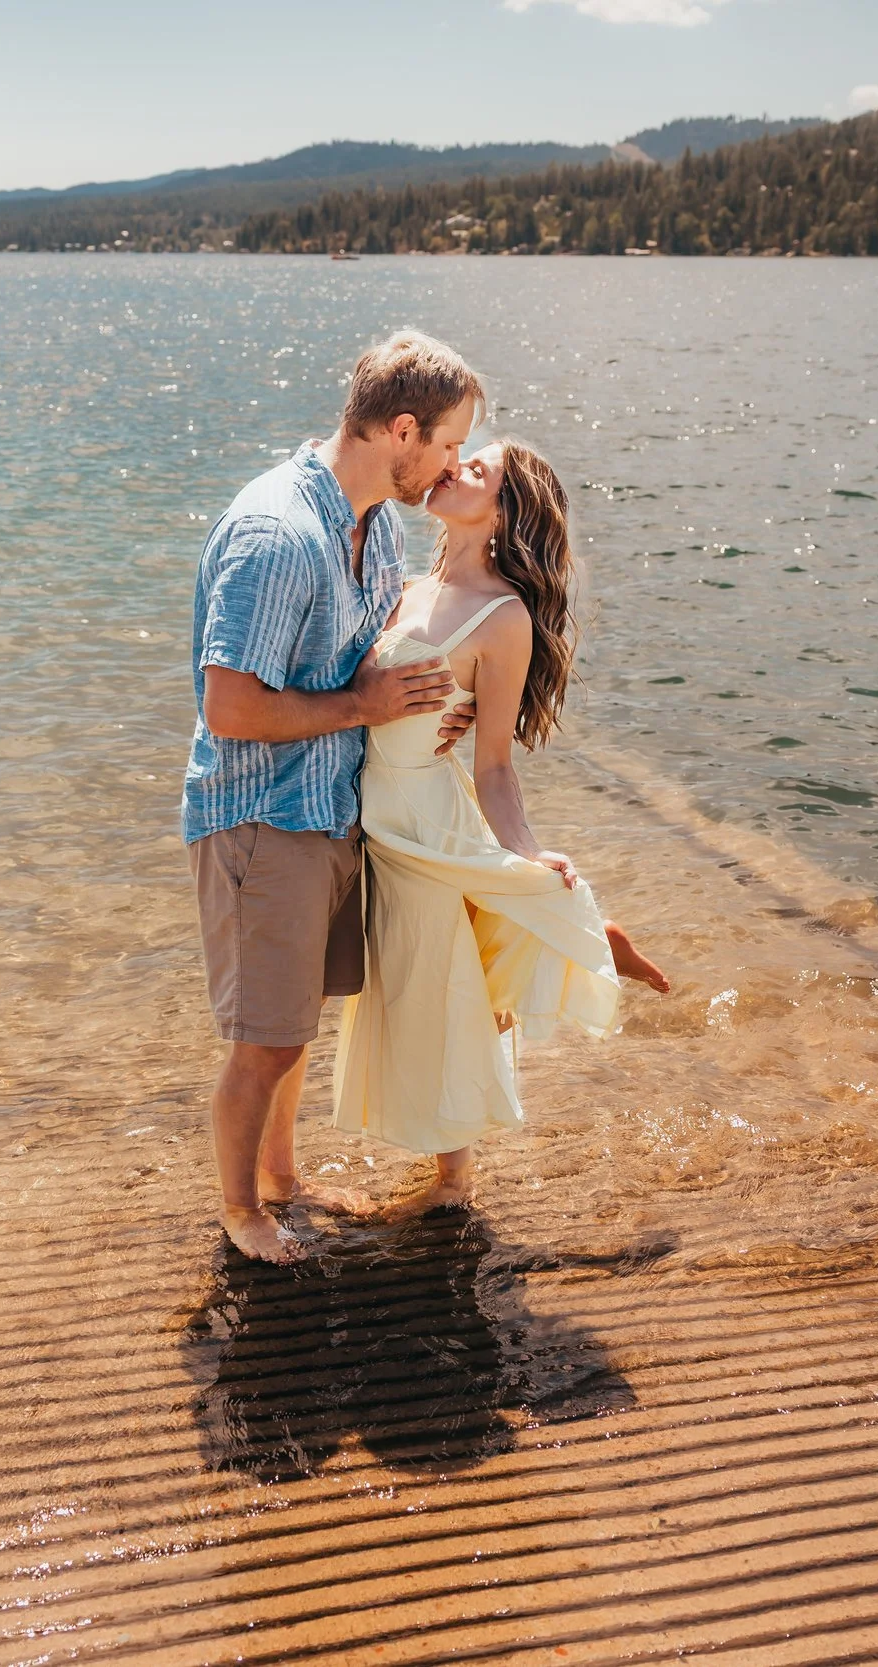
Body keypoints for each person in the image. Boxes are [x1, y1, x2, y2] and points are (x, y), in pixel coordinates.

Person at [185, 330, 485, 1265]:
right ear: (402, 429)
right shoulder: (281, 533)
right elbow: (229, 707)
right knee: (262, 1040)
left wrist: (439, 705)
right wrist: (365, 704)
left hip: (328, 809)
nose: (454, 462)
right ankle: (240, 1213)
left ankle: (280, 1177)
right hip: (260, 817)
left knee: (296, 1022)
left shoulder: (376, 522)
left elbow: (372, 652)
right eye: (446, 443)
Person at [335, 439, 660, 1213]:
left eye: (476, 470)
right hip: (375, 817)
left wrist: (526, 855)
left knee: (433, 991)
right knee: (414, 980)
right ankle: (582, 932)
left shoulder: (502, 619)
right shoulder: (406, 585)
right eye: (461, 456)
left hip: (425, 824)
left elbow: (494, 768)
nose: (454, 469)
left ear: (504, 512)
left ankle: (453, 1184)